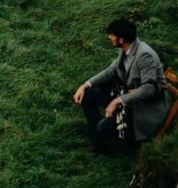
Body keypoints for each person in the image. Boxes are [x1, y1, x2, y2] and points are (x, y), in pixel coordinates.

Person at [73, 19, 172, 152]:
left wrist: (118, 101)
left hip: (144, 108)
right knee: (88, 94)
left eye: (112, 35)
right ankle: (97, 142)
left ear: (120, 39)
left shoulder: (144, 55)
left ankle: (131, 142)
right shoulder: (127, 47)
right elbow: (111, 71)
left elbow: (149, 89)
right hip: (128, 96)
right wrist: (85, 85)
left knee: (103, 127)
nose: (109, 37)